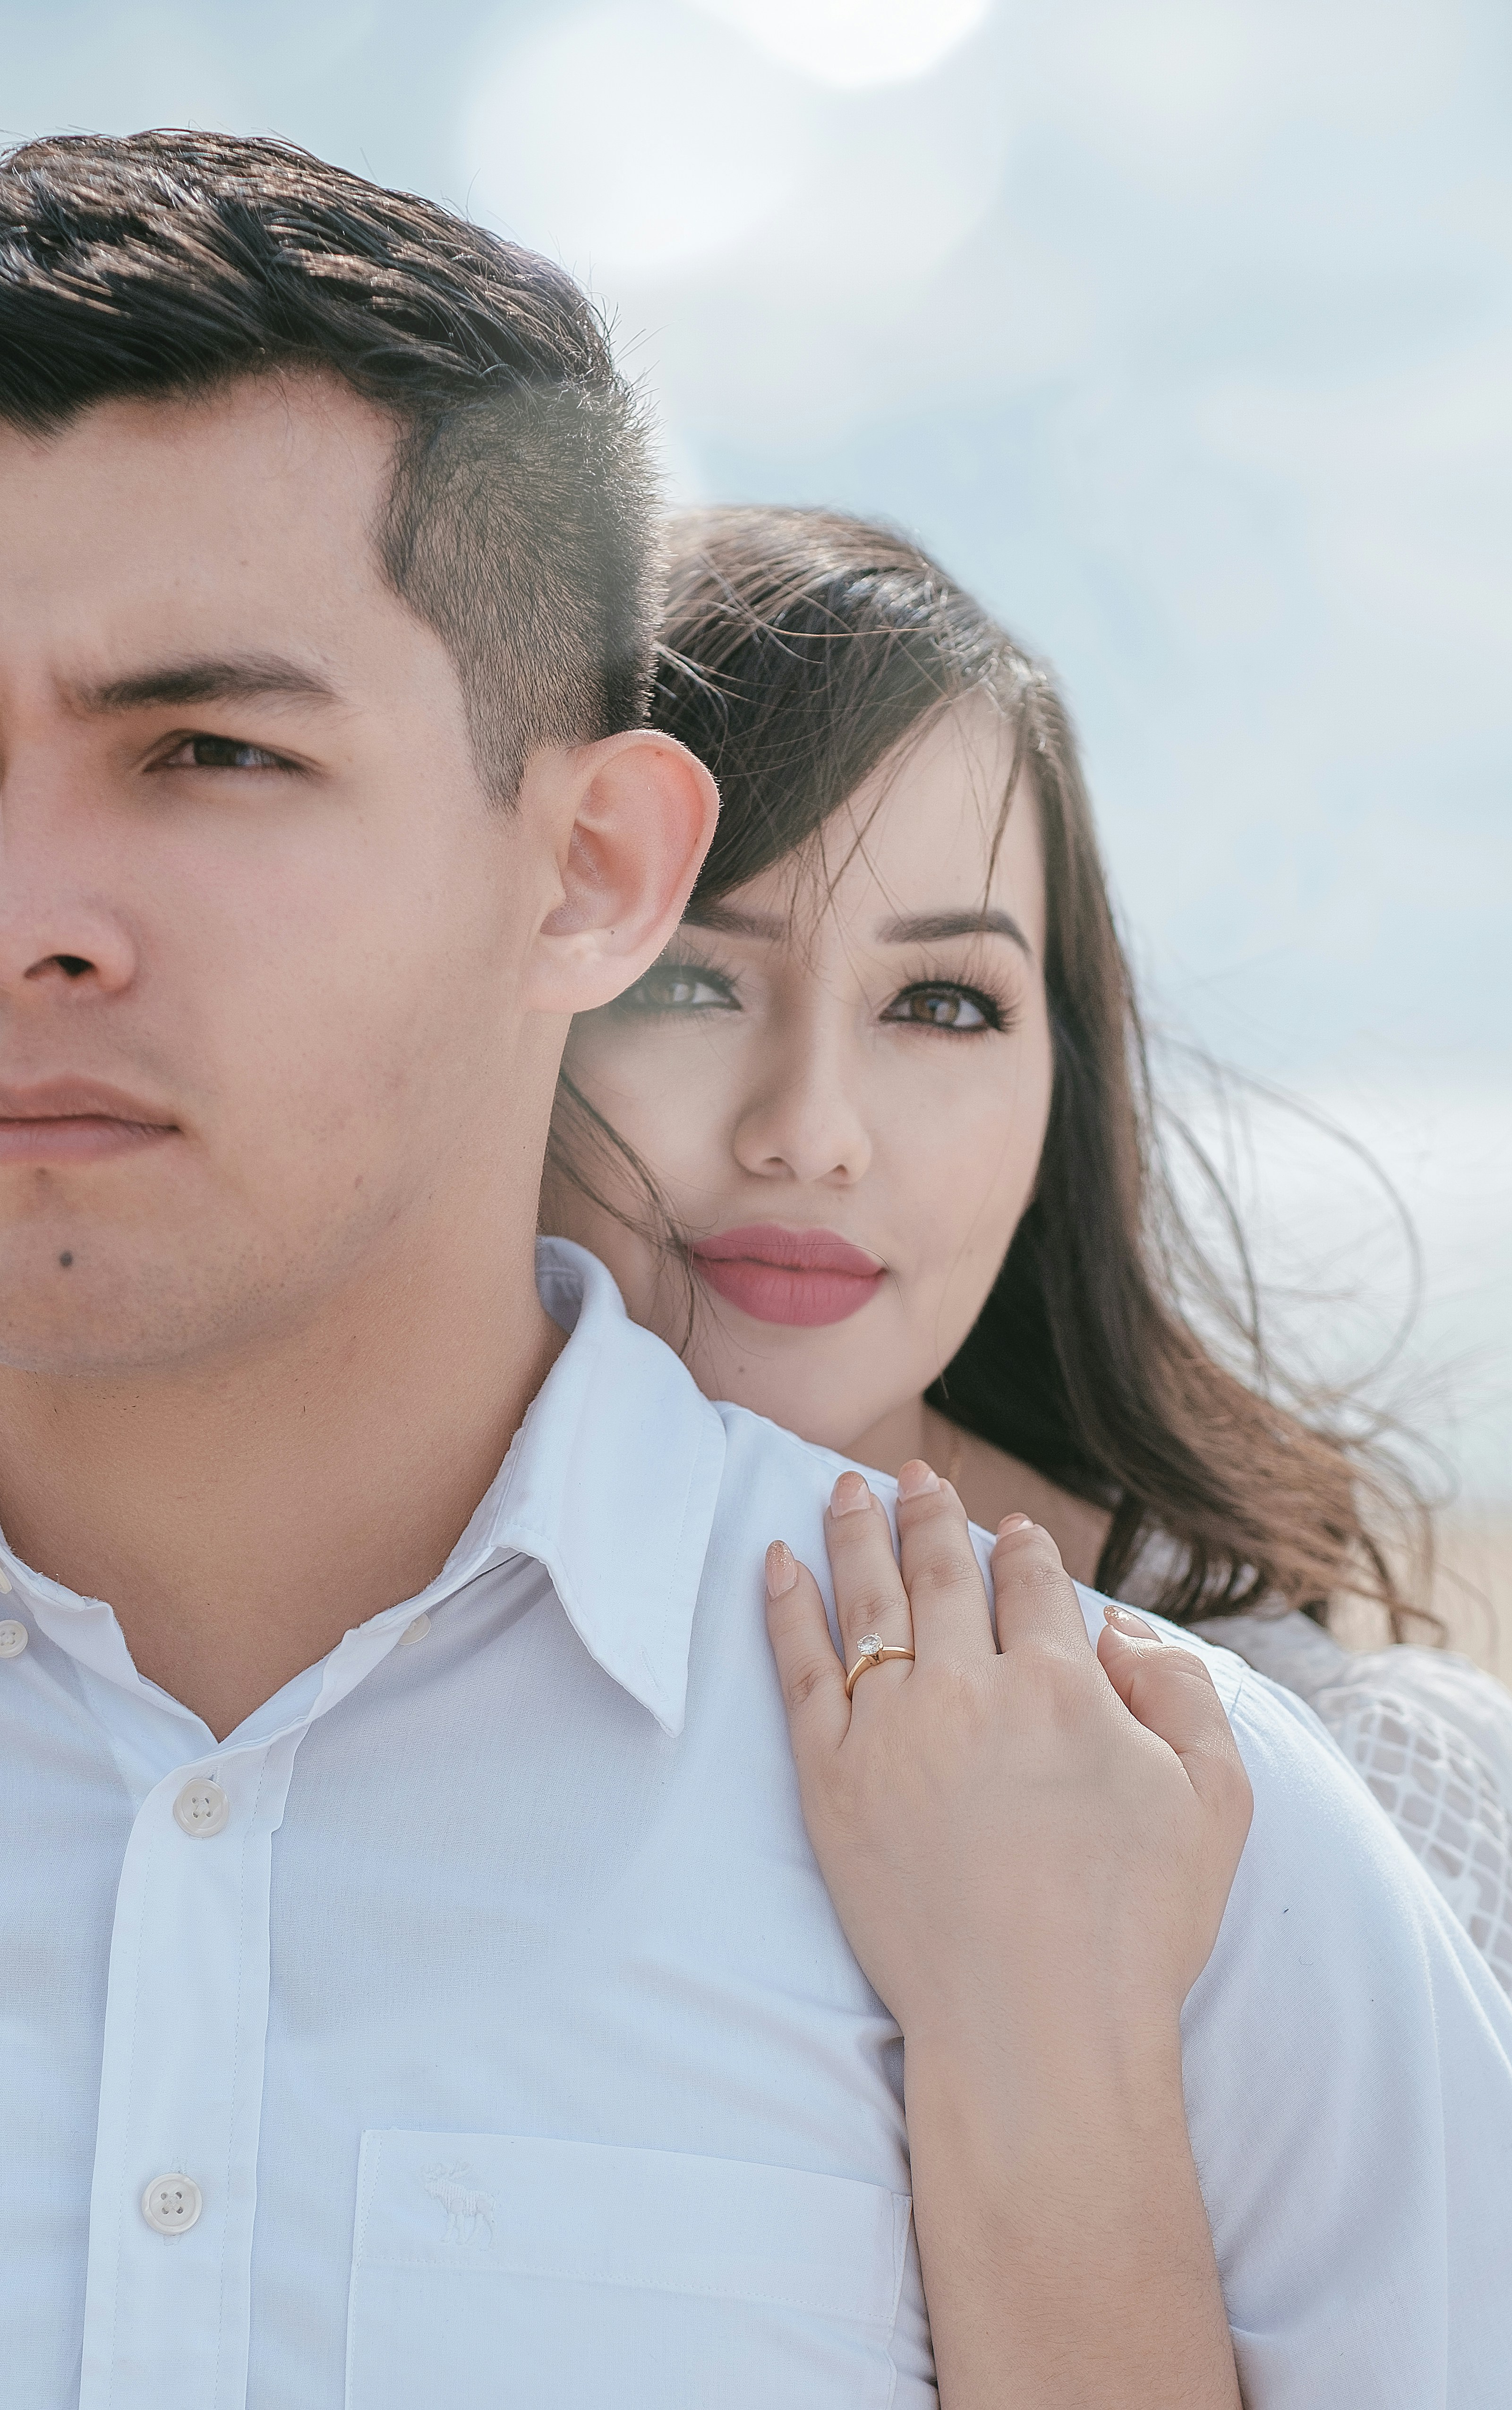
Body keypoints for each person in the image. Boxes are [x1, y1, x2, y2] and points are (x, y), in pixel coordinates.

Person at [0, 132, 1505, 2410]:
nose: (34, 907)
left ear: (583, 869)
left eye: (212, 750)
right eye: (719, 997)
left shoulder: (1226, 1830)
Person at [547, 503, 1512, 2000]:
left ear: (1059, 1084)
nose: (811, 1131)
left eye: (939, 1002)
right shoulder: (190, 1660)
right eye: (687, 984)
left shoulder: (1345, 1784)